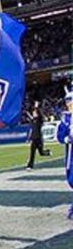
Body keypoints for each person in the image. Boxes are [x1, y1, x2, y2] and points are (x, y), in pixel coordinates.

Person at [57, 88, 72, 219]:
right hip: (70, 154)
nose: (69, 103)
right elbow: (60, 135)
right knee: (71, 179)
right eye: (68, 101)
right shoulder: (66, 118)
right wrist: (66, 138)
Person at [26, 102, 50, 170]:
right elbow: (31, 130)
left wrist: (36, 107)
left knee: (41, 153)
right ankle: (30, 166)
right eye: (33, 113)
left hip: (39, 138)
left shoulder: (39, 120)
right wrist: (29, 138)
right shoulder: (32, 121)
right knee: (32, 153)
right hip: (33, 139)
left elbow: (40, 115)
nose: (33, 114)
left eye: (35, 113)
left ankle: (47, 152)